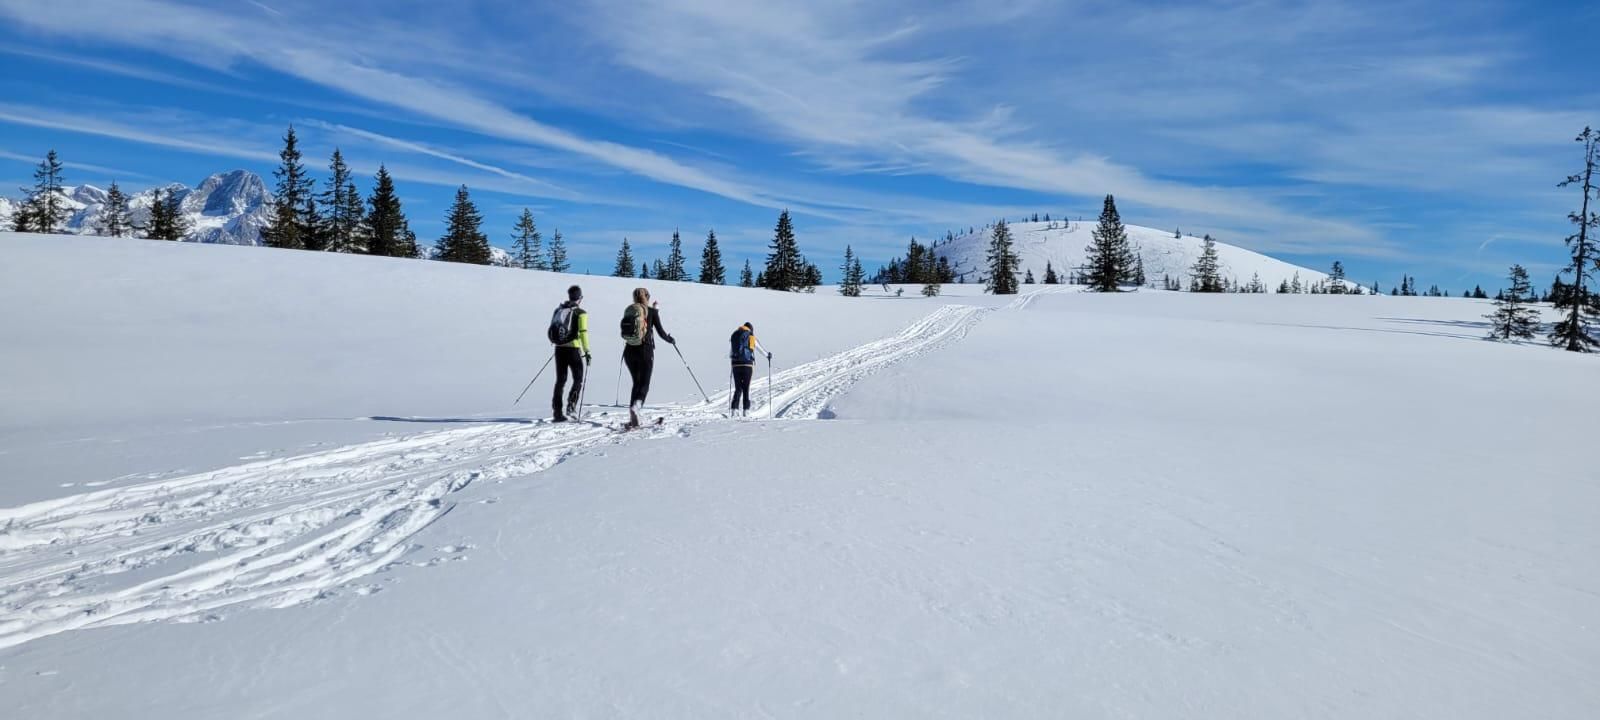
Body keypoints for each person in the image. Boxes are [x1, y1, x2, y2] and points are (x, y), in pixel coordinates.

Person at [621, 287, 674, 428]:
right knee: (644, 383)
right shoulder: (651, 311)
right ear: (647, 297)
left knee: (636, 383)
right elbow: (661, 333)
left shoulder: (630, 310)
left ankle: (633, 416)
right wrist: (671, 340)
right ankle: (636, 408)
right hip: (645, 350)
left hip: (629, 350)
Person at [551, 285, 591, 422]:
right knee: (578, 379)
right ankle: (571, 407)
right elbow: (583, 332)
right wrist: (587, 351)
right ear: (580, 298)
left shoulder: (558, 310)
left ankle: (557, 413)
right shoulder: (581, 313)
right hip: (573, 349)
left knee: (560, 380)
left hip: (559, 349)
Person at [728, 322, 771, 417]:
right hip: (747, 365)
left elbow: (730, 353)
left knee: (738, 388)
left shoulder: (735, 335)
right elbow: (760, 349)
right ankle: (746, 410)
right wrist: (768, 355)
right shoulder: (751, 336)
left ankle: (734, 410)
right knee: (746, 387)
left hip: (735, 365)